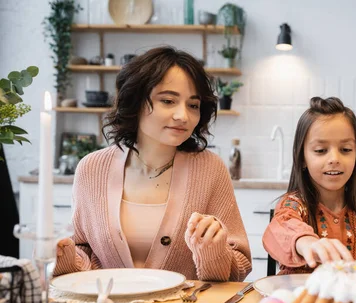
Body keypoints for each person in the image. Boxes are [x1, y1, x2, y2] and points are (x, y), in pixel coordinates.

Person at [54, 46, 252, 281]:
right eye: (168, 100)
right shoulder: (92, 168)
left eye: (193, 105)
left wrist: (212, 249)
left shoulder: (210, 169)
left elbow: (238, 269)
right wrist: (60, 256)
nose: (183, 116)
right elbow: (83, 251)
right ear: (136, 102)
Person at [263, 97, 356, 278]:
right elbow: (277, 232)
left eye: (345, 149)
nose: (334, 159)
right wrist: (305, 241)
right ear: (302, 158)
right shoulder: (293, 206)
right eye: (321, 150)